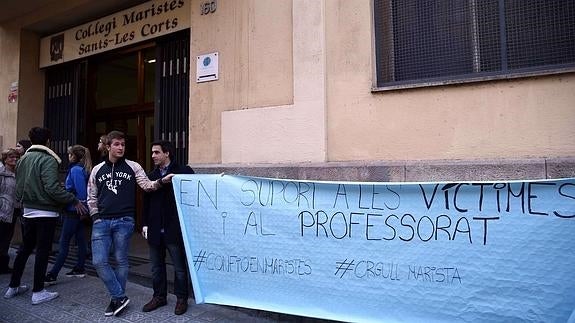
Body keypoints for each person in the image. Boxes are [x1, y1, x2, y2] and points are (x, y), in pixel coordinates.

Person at [87, 130, 174, 317]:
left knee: (121, 260)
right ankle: (119, 295)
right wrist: (95, 217)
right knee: (99, 261)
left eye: (123, 144)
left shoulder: (133, 166)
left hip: (124, 221)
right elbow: (91, 196)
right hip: (101, 221)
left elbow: (146, 185)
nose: (120, 147)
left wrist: (161, 181)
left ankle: (116, 300)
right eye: (117, 144)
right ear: (108, 146)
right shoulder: (97, 169)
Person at [4, 127, 87, 305]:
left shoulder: (23, 159)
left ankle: (13, 286)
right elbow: (52, 187)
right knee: (42, 250)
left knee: (25, 249)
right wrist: (72, 199)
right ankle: (38, 290)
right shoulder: (48, 159)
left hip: (28, 210)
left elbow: (18, 186)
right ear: (48, 141)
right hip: (45, 212)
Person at [141, 140, 194, 315]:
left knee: (179, 267)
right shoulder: (151, 176)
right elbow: (146, 202)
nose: (153, 156)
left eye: (156, 152)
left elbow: (195, 196)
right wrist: (145, 223)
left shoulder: (184, 172)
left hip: (175, 228)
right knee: (156, 267)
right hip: (155, 229)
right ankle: (159, 297)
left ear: (167, 153)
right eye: (152, 152)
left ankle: (181, 299)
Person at [45, 145, 92, 284]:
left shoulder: (76, 170)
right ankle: (79, 268)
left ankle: (53, 274)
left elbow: (82, 192)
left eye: (70, 154)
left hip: (74, 210)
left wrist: (80, 205)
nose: (68, 156)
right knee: (81, 239)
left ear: (75, 156)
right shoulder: (81, 169)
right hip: (78, 211)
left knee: (64, 242)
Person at [0, 149, 20, 274]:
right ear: (5, 159)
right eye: (11, 157)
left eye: (16, 157)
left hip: (13, 211)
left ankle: (3, 266)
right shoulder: (1, 173)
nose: (14, 159)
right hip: (2, 212)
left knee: (6, 239)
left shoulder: (17, 173)